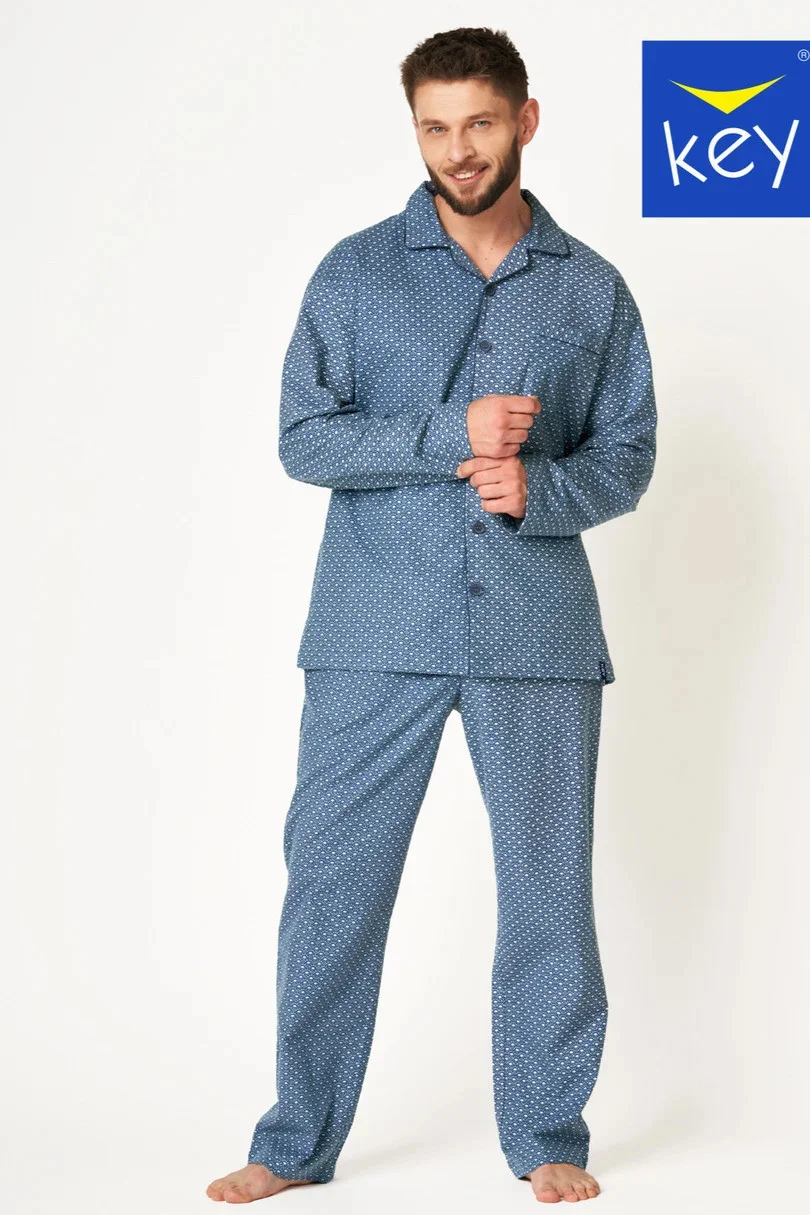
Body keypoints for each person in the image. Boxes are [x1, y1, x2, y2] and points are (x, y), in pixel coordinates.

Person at [207, 25, 656, 1206]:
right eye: (435, 127)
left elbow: (629, 453)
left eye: (481, 123)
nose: (459, 149)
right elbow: (304, 439)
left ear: (526, 121)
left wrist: (544, 491)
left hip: (538, 636)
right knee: (334, 886)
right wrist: (449, 434)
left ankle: (548, 1132)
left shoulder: (593, 289)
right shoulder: (355, 275)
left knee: (547, 894)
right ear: (416, 130)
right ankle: (295, 1140)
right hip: (373, 632)